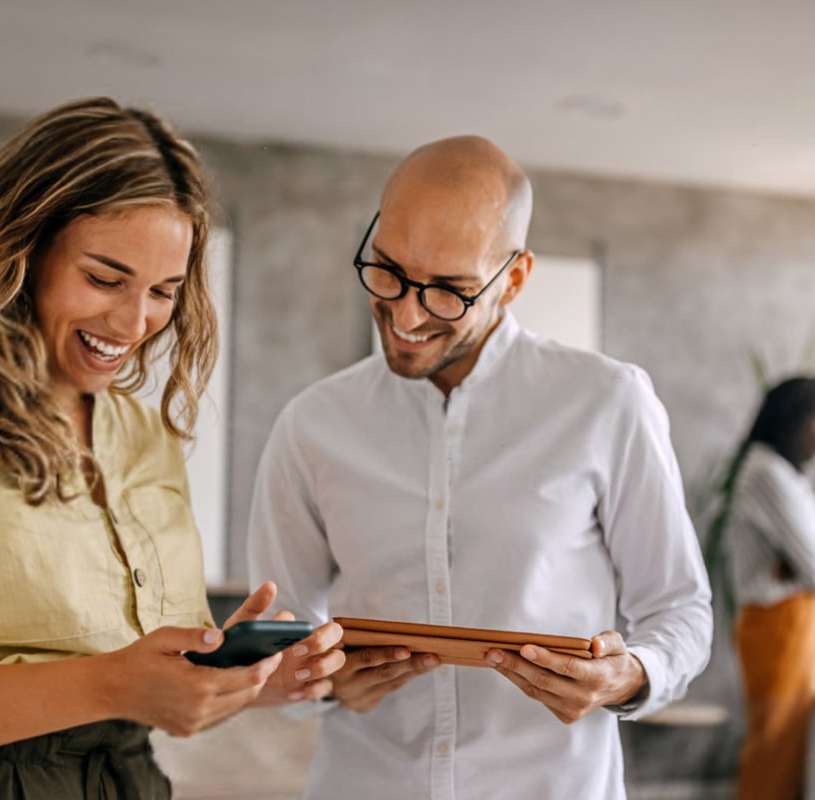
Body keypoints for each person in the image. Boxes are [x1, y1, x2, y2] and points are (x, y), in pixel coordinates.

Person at [0, 96, 343, 799]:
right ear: (20, 248)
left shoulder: (144, 438)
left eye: (164, 291)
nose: (134, 322)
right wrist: (110, 683)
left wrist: (242, 679)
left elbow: (150, 683)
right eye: (103, 278)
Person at [247, 135, 713, 799]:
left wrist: (629, 674)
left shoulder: (607, 402)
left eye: (449, 291)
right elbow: (279, 636)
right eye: (388, 270)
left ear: (513, 279)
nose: (407, 314)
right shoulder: (311, 425)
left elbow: (679, 610)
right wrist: (315, 681)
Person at [723, 376, 815, 800]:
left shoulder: (785, 474)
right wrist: (797, 571)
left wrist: (791, 569)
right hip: (776, 626)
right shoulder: (766, 472)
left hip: (788, 625)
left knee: (788, 750)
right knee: (775, 748)